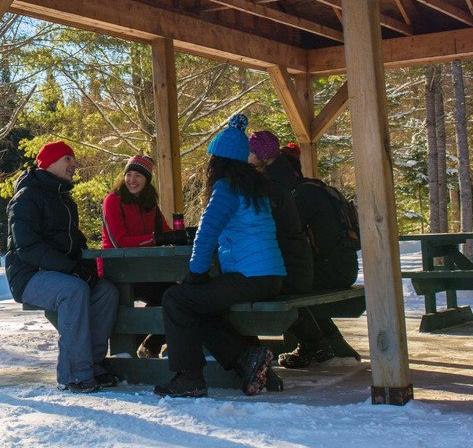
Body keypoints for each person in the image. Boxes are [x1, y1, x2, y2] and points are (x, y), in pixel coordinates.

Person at [154, 114, 286, 399]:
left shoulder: (227, 187)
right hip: (269, 275)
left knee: (176, 300)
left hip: (250, 277)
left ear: (218, 160)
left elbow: (207, 231)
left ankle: (189, 377)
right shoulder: (255, 187)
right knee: (200, 306)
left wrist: (197, 273)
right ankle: (246, 358)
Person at [6, 141, 120, 393]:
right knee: (74, 290)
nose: (74, 165)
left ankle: (92, 364)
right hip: (28, 275)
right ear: (51, 162)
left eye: (74, 159)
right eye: (68, 158)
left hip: (62, 272)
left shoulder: (64, 199)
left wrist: (87, 268)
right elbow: (28, 247)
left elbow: (75, 241)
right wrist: (71, 270)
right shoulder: (26, 197)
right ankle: (74, 374)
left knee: (106, 292)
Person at [279, 172, 363, 368]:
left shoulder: (302, 196)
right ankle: (326, 339)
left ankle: (313, 343)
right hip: (346, 268)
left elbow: (285, 232)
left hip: (328, 270)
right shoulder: (321, 189)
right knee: (294, 282)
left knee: (282, 286)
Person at [101, 155, 171, 358]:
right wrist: (154, 239)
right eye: (128, 175)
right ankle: (135, 344)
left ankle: (148, 345)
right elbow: (119, 242)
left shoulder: (151, 206)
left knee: (175, 295)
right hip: (117, 270)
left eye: (138, 175)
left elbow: (165, 234)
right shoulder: (113, 201)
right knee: (169, 296)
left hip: (145, 270)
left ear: (146, 180)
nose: (132, 180)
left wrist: (180, 235)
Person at [248, 130, 314, 295]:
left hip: (286, 272)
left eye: (249, 151)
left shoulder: (270, 188)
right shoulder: (281, 179)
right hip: (297, 268)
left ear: (259, 156)